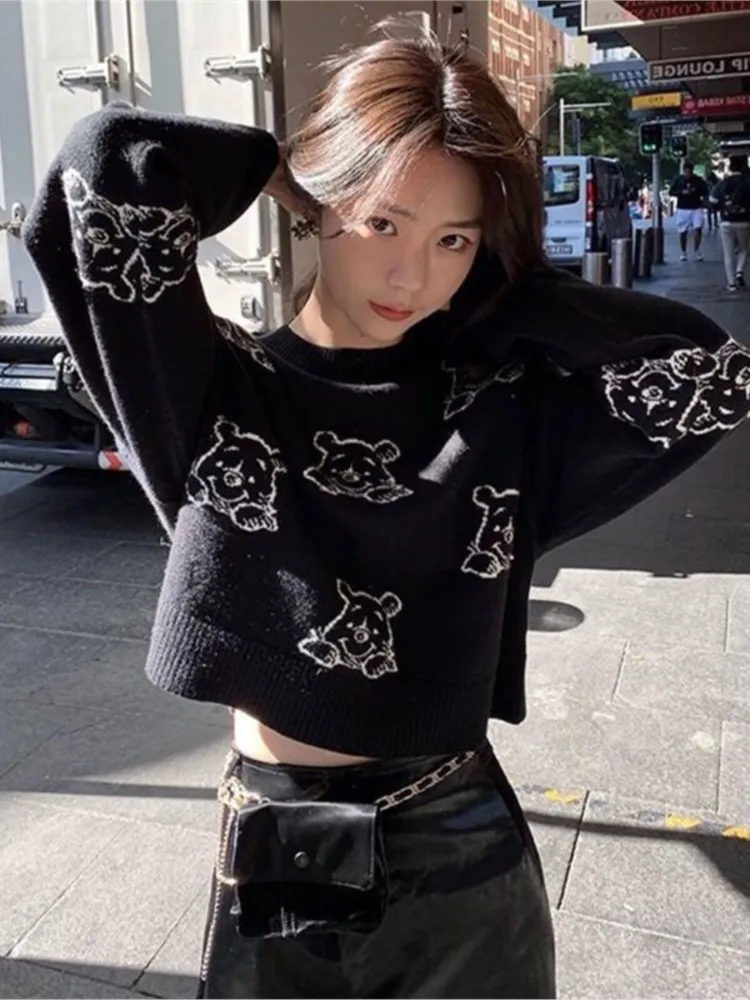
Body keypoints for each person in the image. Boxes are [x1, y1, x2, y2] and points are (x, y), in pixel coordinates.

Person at [19, 26, 750, 1000]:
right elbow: (100, 172)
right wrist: (278, 169)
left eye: (453, 240)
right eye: (382, 224)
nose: (413, 278)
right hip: (279, 850)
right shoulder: (213, 392)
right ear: (322, 205)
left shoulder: (498, 411)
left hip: (462, 848)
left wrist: (507, 284)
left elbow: (707, 374)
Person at [710, 154, 750, 292]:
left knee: (728, 253)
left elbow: (713, 201)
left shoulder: (723, 184)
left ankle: (731, 283)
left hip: (726, 221)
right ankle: (739, 271)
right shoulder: (747, 182)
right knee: (744, 249)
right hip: (744, 221)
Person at [669, 161, 710, 261]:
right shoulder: (678, 180)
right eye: (686, 172)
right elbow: (671, 192)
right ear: (683, 171)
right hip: (683, 208)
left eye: (689, 172)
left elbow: (705, 191)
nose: (688, 174)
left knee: (698, 228)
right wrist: (681, 192)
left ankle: (696, 250)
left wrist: (696, 192)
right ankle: (683, 252)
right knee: (682, 231)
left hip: (696, 207)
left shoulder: (698, 180)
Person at [706, 168, 721, 232]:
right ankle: (715, 224)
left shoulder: (708, 183)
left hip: (709, 198)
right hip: (713, 198)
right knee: (714, 212)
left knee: (709, 212)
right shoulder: (715, 184)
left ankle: (710, 225)